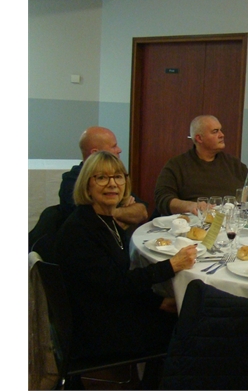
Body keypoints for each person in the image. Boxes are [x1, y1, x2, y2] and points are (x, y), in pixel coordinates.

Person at [53, 151, 197, 368]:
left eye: (118, 177)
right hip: (97, 330)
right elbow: (117, 284)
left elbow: (118, 279)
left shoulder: (103, 219)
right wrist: (172, 265)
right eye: (102, 177)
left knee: (180, 314)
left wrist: (156, 301)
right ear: (87, 185)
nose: (112, 184)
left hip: (106, 310)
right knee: (187, 326)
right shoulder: (81, 231)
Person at [154, 115, 248, 216]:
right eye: (215, 131)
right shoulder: (177, 165)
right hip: (194, 222)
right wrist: (190, 206)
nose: (222, 135)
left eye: (220, 130)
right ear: (199, 138)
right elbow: (162, 198)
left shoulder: (233, 164)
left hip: (232, 222)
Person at [59, 126, 148, 229]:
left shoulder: (114, 178)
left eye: (118, 177)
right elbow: (91, 222)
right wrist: (123, 213)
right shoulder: (72, 181)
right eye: (113, 146)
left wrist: (110, 214)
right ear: (95, 153)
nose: (119, 150)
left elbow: (142, 212)